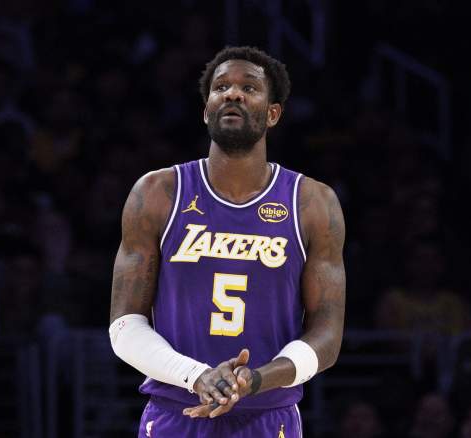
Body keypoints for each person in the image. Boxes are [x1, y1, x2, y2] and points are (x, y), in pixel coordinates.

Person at [108, 46, 346, 437]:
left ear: (273, 113)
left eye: (248, 87)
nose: (232, 94)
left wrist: (255, 380)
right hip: (176, 411)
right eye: (221, 87)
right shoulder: (156, 193)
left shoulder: (312, 203)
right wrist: (198, 377)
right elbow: (124, 326)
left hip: (268, 415)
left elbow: (327, 337)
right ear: (206, 110)